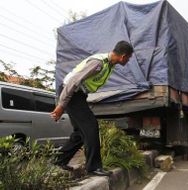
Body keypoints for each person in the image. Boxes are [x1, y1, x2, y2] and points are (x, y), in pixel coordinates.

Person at [50, 41, 134, 176]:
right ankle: (93, 167)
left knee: (80, 133)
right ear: (123, 56)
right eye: (129, 58)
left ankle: (59, 160)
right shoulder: (99, 63)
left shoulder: (109, 64)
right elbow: (73, 82)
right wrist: (61, 106)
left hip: (79, 95)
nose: (128, 61)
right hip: (72, 93)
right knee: (91, 126)